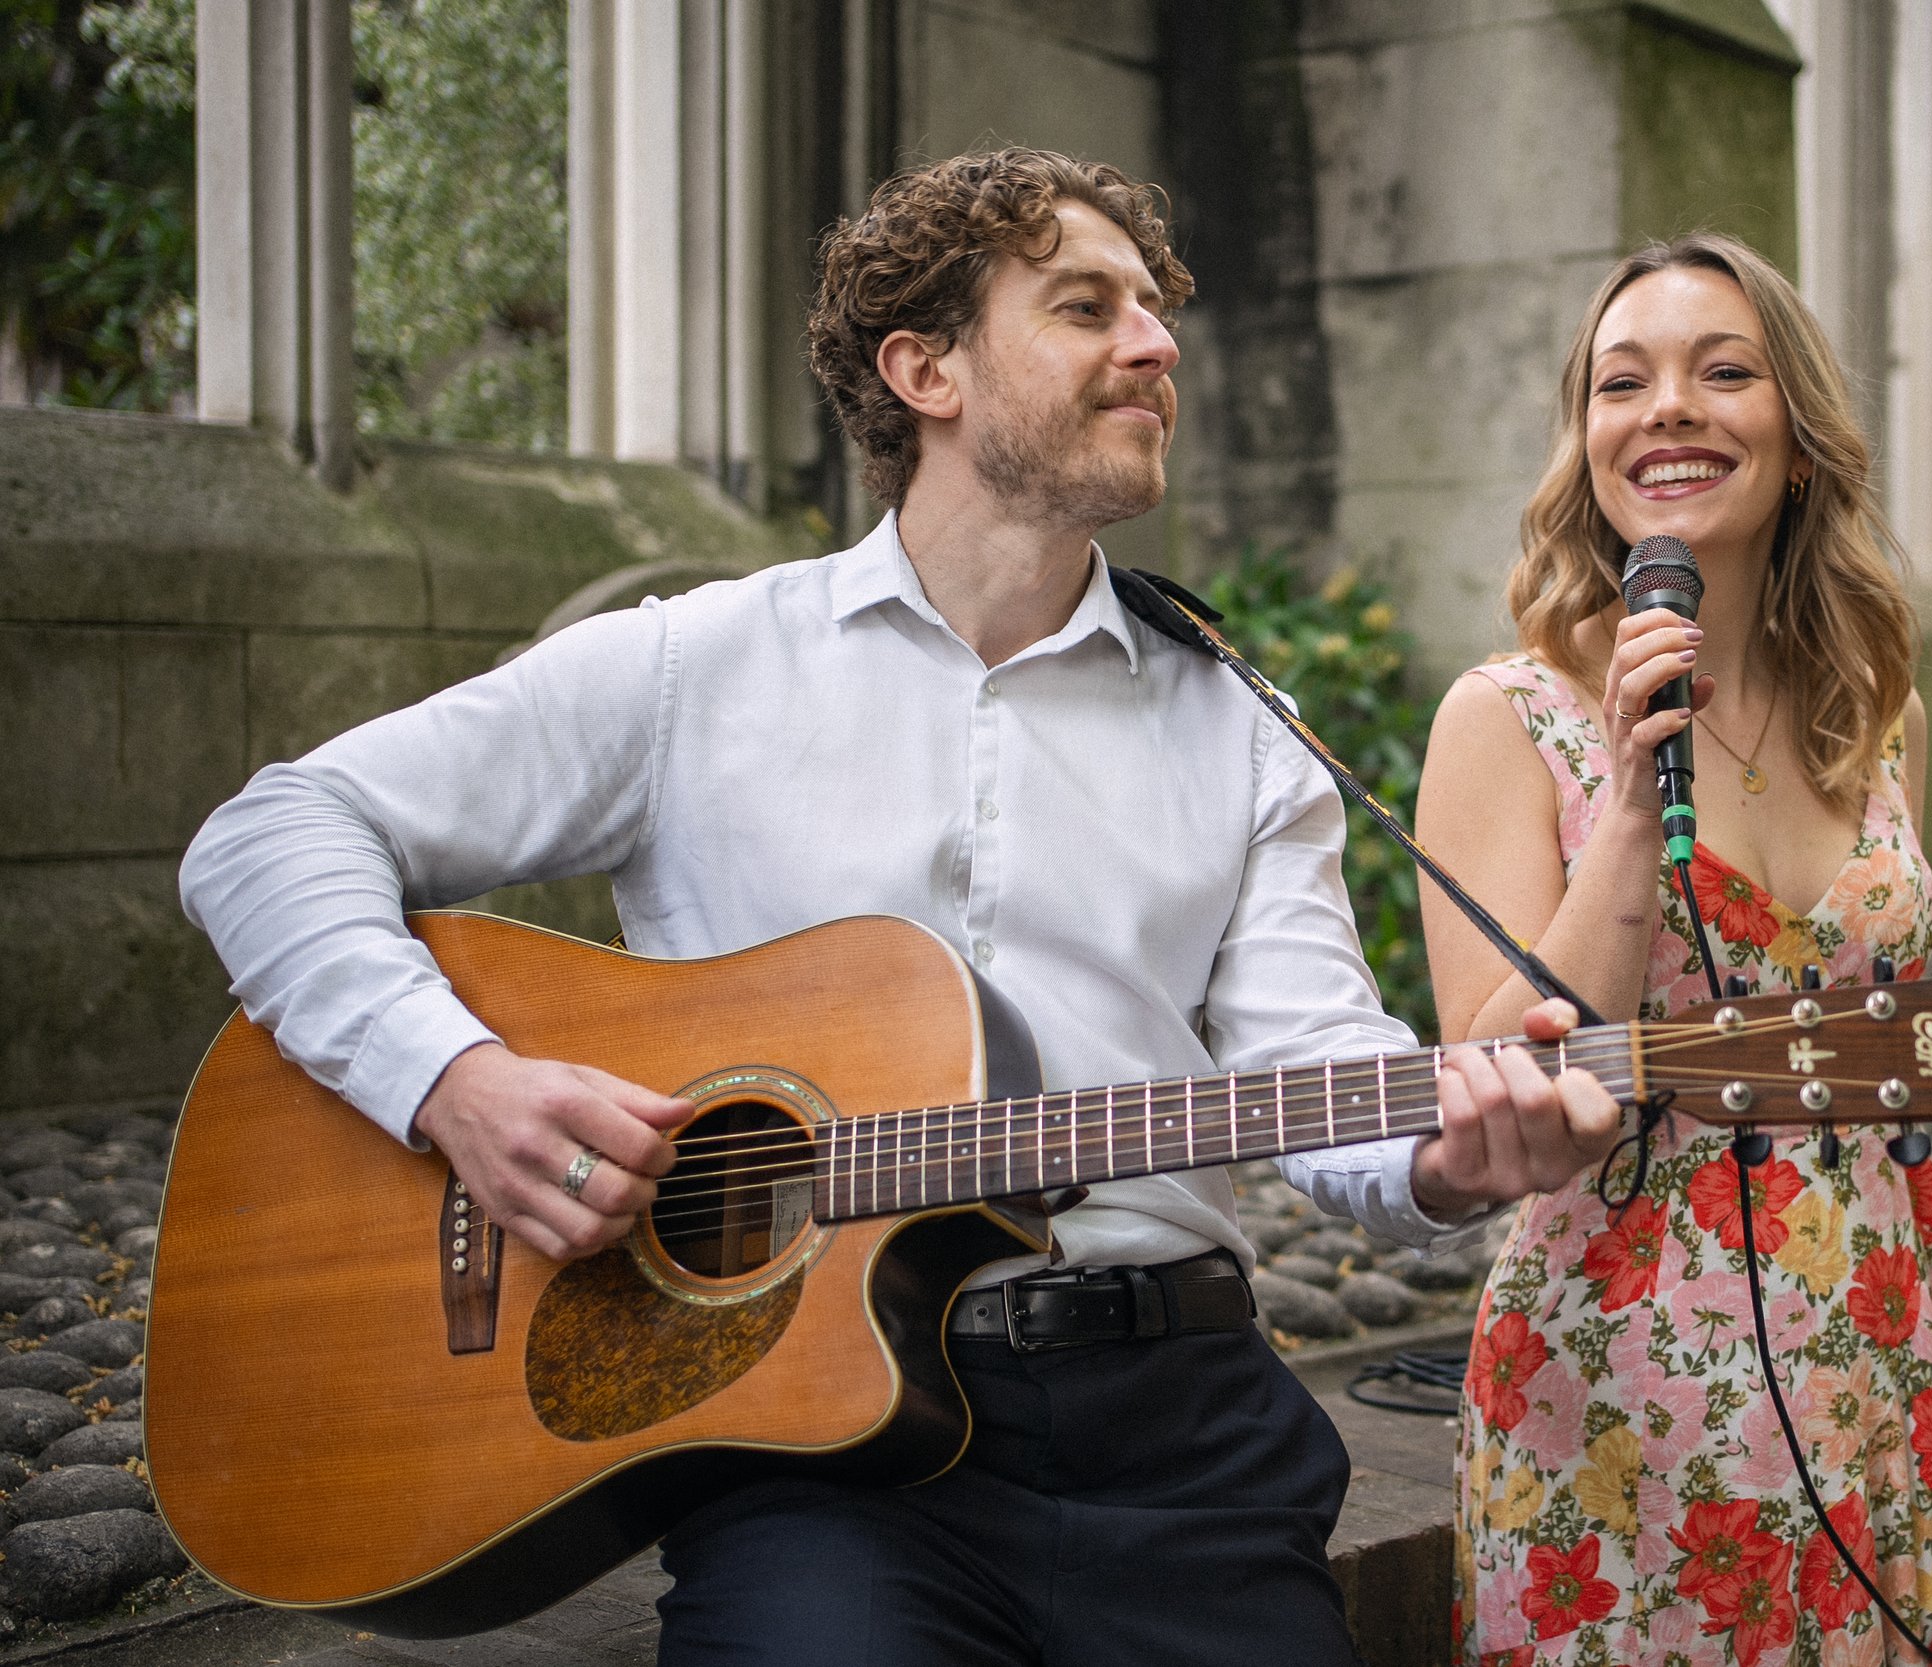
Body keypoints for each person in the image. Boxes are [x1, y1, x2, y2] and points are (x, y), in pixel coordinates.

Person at [178, 148, 1625, 1667]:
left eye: (1154, 310)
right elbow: (271, 834)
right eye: (1087, 308)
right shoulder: (693, 669)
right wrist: (455, 1083)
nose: (1157, 345)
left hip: (1179, 1439)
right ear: (924, 369)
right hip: (807, 1459)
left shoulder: (1241, 730)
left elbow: (1312, 1067)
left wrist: (1450, 1153)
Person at [1418, 233, 1932, 1664]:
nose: (1669, 406)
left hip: (1863, 1333)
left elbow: (1838, 1057)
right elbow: (1504, 1076)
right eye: (1624, 382)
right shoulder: (1506, 717)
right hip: (1619, 1378)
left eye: (1723, 371)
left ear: (1799, 443)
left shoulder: (1877, 711)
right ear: (1588, 445)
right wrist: (1630, 801)